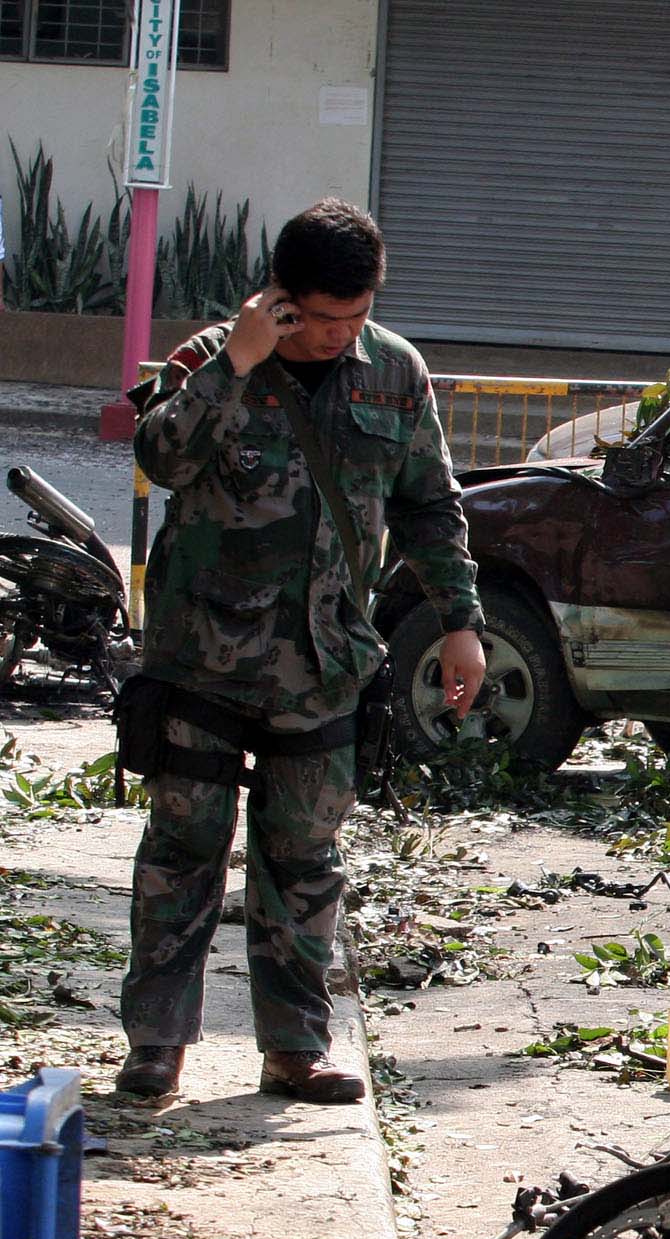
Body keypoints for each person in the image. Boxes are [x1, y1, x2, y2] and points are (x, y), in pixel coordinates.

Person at [115, 198, 486, 1105]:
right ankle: (156, 1045)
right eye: (318, 319)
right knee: (182, 853)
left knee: (304, 863)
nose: (334, 336)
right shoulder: (213, 358)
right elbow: (160, 457)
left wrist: (459, 620)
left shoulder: (395, 374)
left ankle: (295, 1049)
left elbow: (430, 505)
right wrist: (236, 364)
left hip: (323, 666)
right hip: (200, 656)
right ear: (280, 296)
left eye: (352, 318)